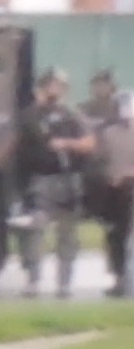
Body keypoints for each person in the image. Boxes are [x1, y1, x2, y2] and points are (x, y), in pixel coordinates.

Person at [14, 68, 96, 299]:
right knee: (34, 229)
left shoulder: (72, 115)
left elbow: (89, 143)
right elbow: (17, 143)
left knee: (67, 232)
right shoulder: (30, 116)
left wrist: (66, 144)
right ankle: (33, 279)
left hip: (68, 178)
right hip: (41, 179)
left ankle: (64, 283)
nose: (53, 89)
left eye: (57, 85)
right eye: (48, 84)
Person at [80, 71, 133, 295]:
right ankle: (119, 278)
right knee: (116, 236)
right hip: (117, 190)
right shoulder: (108, 133)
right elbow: (99, 159)